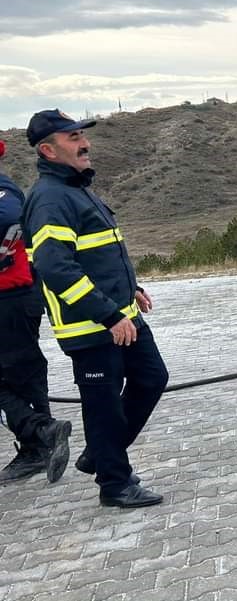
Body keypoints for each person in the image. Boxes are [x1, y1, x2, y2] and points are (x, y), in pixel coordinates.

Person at [22, 110, 168, 508]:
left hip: (121, 314)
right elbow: (56, 267)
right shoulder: (50, 199)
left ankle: (102, 454)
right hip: (91, 326)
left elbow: (102, 253)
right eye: (72, 138)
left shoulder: (77, 188)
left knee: (152, 378)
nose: (84, 143)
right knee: (102, 405)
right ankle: (115, 485)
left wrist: (130, 289)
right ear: (48, 150)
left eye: (82, 136)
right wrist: (107, 314)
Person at [0, 138, 72, 485]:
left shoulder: (4, 193)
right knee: (21, 373)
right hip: (14, 297)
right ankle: (40, 439)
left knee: (22, 371)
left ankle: (40, 435)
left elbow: (11, 217)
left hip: (10, 297)